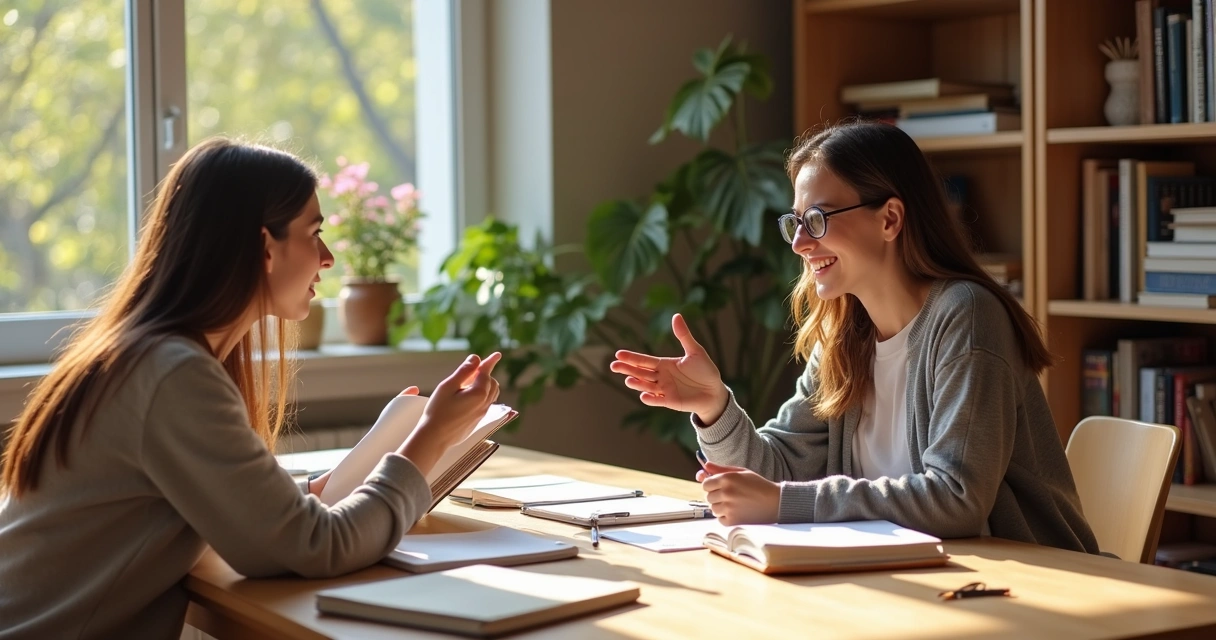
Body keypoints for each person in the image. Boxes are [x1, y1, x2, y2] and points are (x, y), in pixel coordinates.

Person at [0, 137, 503, 639]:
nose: (326, 258)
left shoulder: (147, 357)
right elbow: (317, 548)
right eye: (314, 233)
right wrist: (433, 434)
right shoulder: (171, 375)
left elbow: (249, 510)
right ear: (265, 247)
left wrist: (320, 490)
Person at [610, 120, 1099, 554]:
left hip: (1032, 586)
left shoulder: (966, 316)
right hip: (917, 580)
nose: (801, 244)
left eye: (818, 219)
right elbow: (777, 470)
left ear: (889, 219)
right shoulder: (845, 335)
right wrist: (715, 407)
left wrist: (785, 503)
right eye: (795, 223)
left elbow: (957, 500)